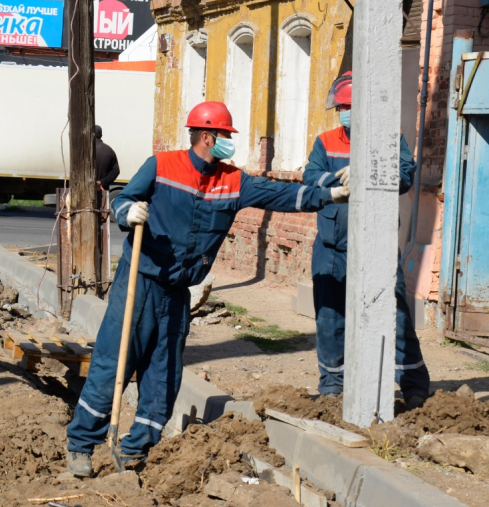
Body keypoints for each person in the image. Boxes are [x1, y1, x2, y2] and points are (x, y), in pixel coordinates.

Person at [66, 101, 349, 478]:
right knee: (112, 364)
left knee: (164, 375)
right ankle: (81, 446)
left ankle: (136, 451)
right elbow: (124, 198)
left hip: (177, 294)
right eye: (225, 137)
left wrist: (329, 194)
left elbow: (280, 195)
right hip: (140, 283)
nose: (229, 144)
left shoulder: (233, 180)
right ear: (206, 136)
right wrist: (126, 212)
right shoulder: (161, 165)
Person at [302, 71, 430, 409]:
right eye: (340, 107)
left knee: (396, 314)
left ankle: (413, 383)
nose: (344, 113)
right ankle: (333, 384)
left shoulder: (390, 138)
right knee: (330, 317)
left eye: (349, 106)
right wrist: (337, 179)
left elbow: (404, 176)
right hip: (332, 246)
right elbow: (311, 176)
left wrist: (368, 172)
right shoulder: (326, 141)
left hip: (377, 245)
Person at [94, 125, 120, 191]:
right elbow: (116, 171)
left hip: (85, 192)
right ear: (101, 135)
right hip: (102, 191)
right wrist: (102, 182)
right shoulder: (109, 150)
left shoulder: (84, 151)